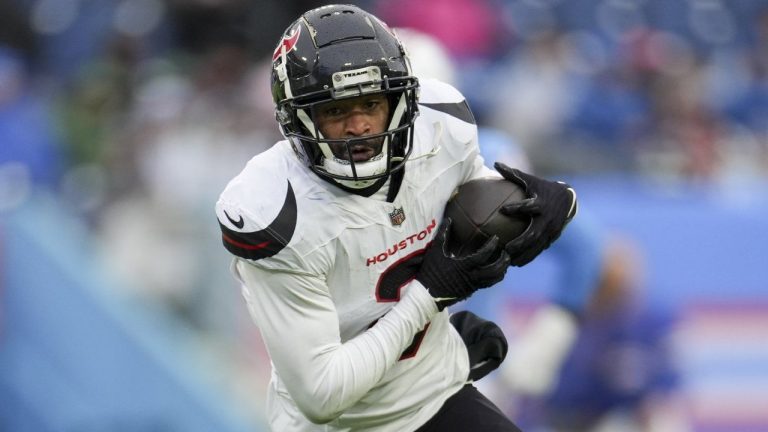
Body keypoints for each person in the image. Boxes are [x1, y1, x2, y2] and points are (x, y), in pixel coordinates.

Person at [215, 5, 577, 431]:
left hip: (435, 396)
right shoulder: (276, 212)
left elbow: (480, 208)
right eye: (335, 111)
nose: (359, 125)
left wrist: (547, 206)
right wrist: (429, 298)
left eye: (371, 103)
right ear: (299, 119)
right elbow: (322, 395)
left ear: (400, 99)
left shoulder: (442, 125)